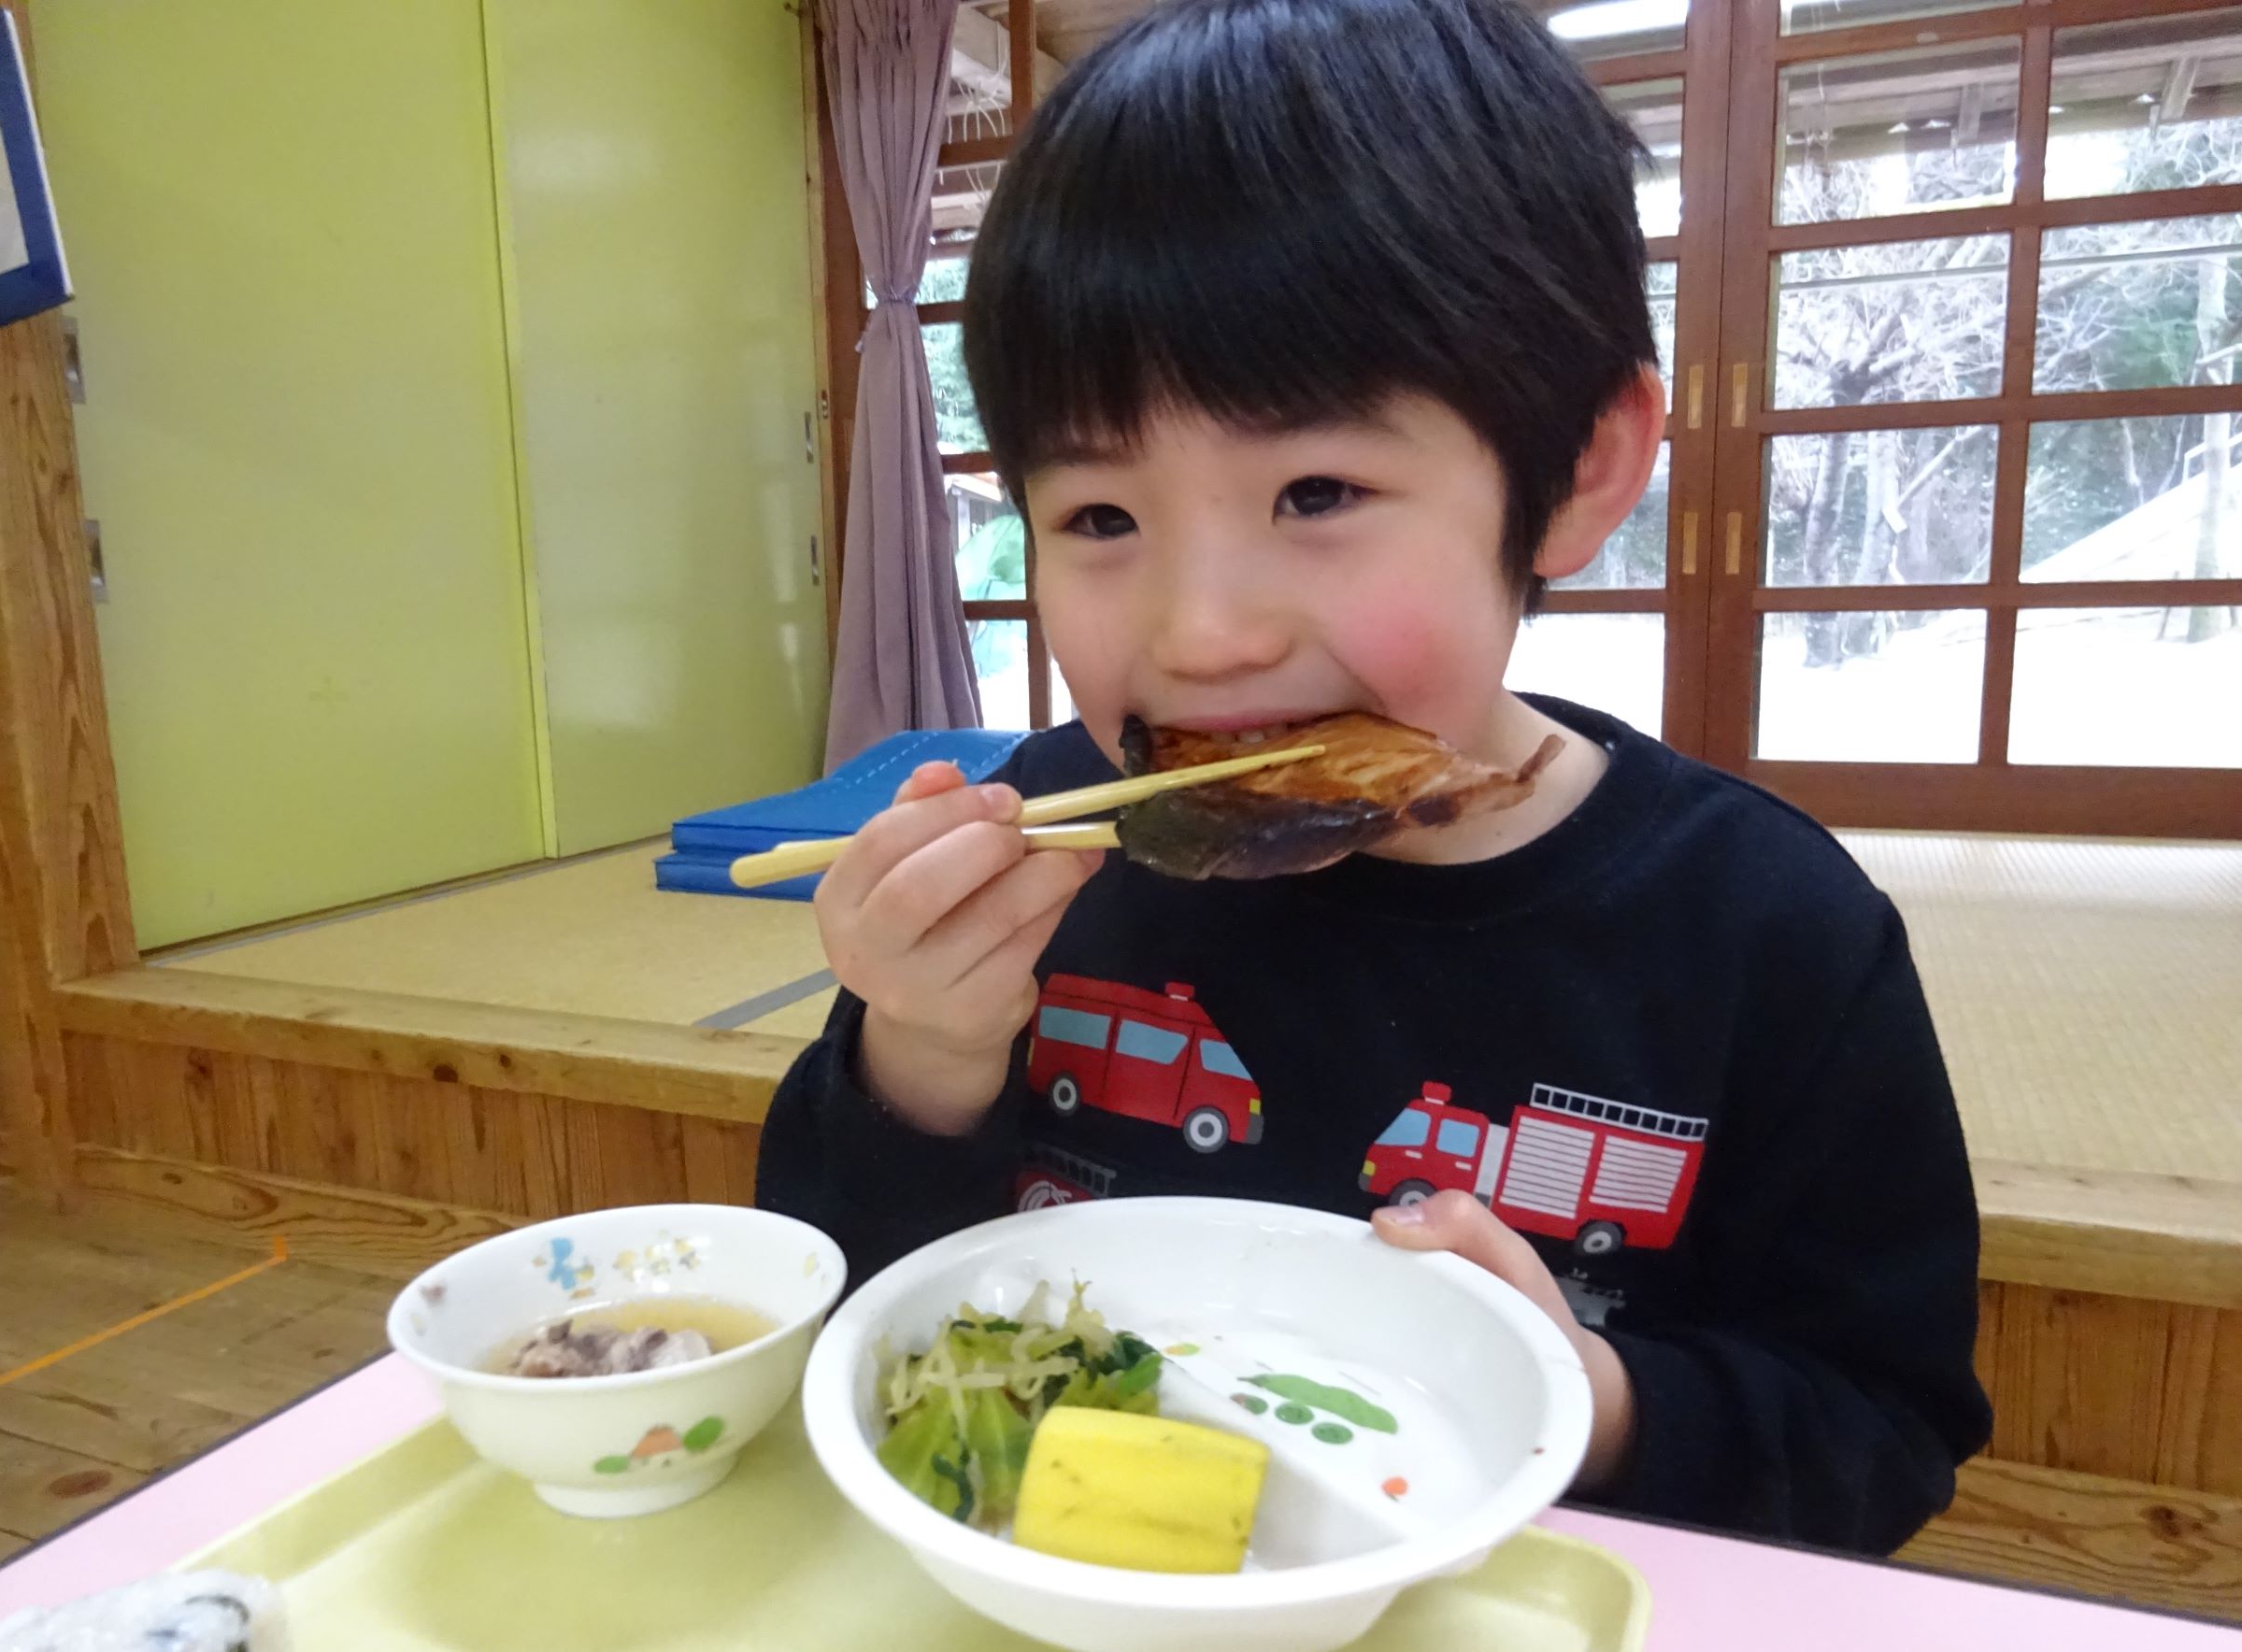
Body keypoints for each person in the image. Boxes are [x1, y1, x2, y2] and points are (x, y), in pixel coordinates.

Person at [760, 0, 1991, 1553]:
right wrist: (921, 1055)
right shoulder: (1042, 860)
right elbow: (843, 1313)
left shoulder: (1764, 926)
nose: (1201, 636)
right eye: (1100, 518)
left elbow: (1881, 1430)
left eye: (1317, 491)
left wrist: (1595, 1398)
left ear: (1579, 467)